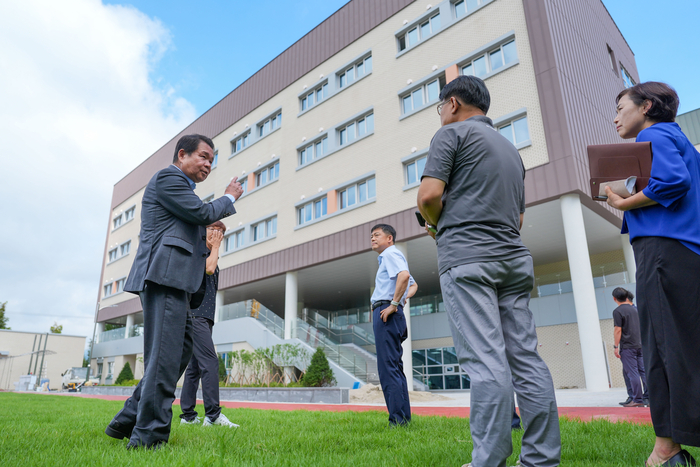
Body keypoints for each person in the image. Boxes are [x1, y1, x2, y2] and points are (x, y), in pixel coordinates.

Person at [417, 75, 561, 467]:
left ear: (452, 104)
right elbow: (516, 217)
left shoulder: (451, 135)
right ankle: (542, 460)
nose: (441, 114)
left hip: (467, 258)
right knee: (526, 359)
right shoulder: (511, 151)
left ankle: (489, 461)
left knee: (485, 361)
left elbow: (429, 195)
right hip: (513, 259)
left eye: (439, 107)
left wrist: (435, 225)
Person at [104, 134, 243, 449]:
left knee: (176, 353)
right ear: (182, 154)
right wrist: (229, 197)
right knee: (165, 359)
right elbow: (202, 214)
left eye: (212, 160)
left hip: (178, 284)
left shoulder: (182, 189)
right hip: (164, 278)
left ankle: (126, 420)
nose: (209, 164)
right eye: (204, 156)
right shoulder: (169, 178)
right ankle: (149, 437)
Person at [606, 81, 700, 467]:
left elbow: (675, 182)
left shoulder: (656, 134)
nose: (615, 117)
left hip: (663, 250)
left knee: (662, 346)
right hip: (681, 251)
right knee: (682, 344)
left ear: (646, 106)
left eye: (620, 107)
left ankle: (666, 449)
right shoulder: (675, 137)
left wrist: (624, 201)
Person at [179, 221, 238, 428]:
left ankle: (187, 417)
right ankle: (213, 416)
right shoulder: (197, 252)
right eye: (213, 230)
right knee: (210, 362)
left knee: (194, 368)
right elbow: (210, 269)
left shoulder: (209, 254)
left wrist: (214, 250)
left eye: (221, 232)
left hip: (204, 317)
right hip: (195, 316)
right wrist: (215, 247)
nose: (217, 234)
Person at [370, 224, 418, 427]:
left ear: (389, 238)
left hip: (386, 313)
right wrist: (401, 298)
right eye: (371, 236)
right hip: (391, 313)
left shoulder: (390, 254)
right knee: (395, 367)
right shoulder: (392, 256)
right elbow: (413, 284)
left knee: (388, 368)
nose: (372, 239)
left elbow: (405, 277)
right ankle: (403, 419)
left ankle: (397, 421)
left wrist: (394, 303)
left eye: (376, 235)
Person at [611, 287, 648, 408]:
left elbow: (618, 330)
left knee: (632, 373)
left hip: (628, 347)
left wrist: (616, 346)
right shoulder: (636, 309)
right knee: (643, 372)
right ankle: (648, 397)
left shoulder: (618, 311)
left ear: (614, 298)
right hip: (641, 345)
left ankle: (637, 399)